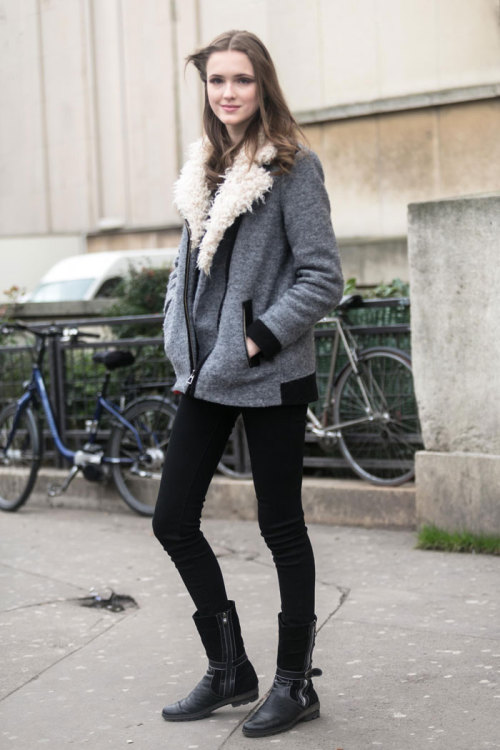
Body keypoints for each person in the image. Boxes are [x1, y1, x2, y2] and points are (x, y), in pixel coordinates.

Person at [152, 29, 343, 738]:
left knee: (280, 526)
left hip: (268, 373)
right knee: (171, 519)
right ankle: (230, 668)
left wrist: (256, 338)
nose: (227, 92)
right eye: (216, 81)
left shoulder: (292, 166)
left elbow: (324, 275)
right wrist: (181, 337)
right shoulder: (202, 168)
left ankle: (296, 683)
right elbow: (187, 275)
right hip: (204, 375)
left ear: (263, 86)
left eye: (241, 80)